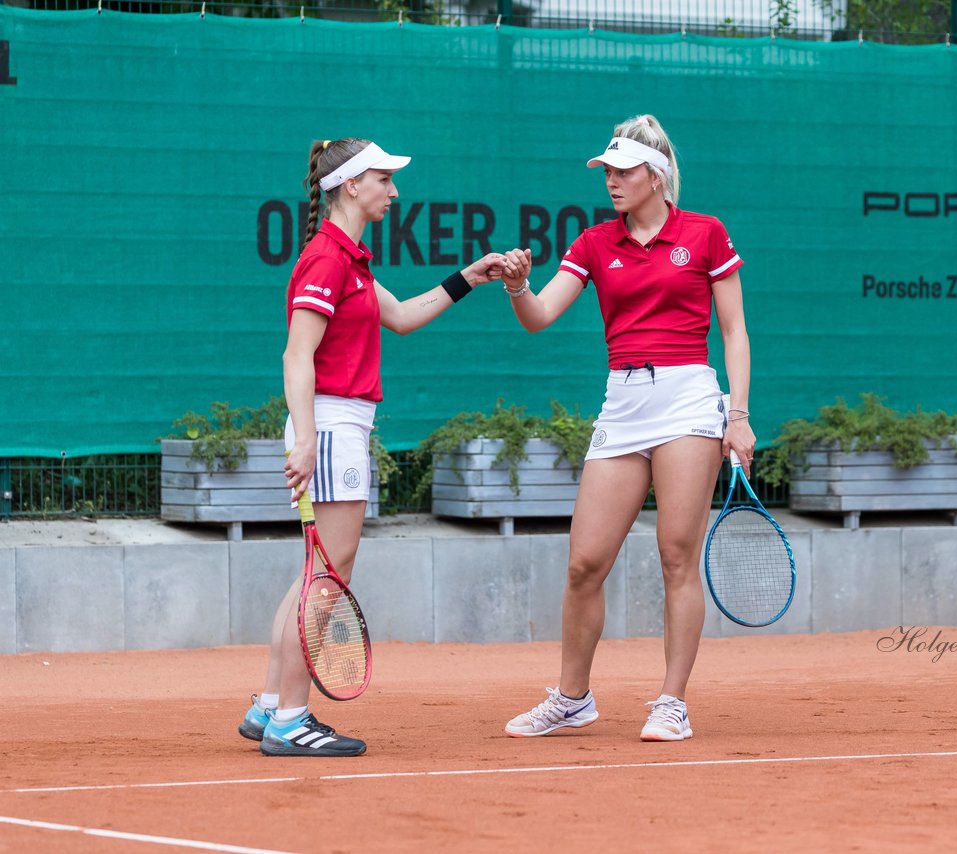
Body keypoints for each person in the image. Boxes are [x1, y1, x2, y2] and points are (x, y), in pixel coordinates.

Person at [238, 137, 511, 757]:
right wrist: (307, 438)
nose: (394, 191)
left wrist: (471, 276)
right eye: (384, 180)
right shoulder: (326, 260)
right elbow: (296, 355)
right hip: (330, 427)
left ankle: (270, 705)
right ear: (351, 186)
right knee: (329, 577)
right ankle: (290, 720)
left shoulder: (349, 258)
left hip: (337, 427)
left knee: (316, 575)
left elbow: (405, 315)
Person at [501, 114, 755, 742]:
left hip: (688, 399)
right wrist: (517, 286)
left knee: (676, 555)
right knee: (585, 562)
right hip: (623, 401)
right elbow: (540, 317)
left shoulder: (705, 234)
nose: (611, 181)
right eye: (607, 171)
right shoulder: (592, 242)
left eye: (623, 171)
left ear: (657, 175)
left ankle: (671, 701)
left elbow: (734, 332)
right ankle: (572, 697)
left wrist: (738, 415)